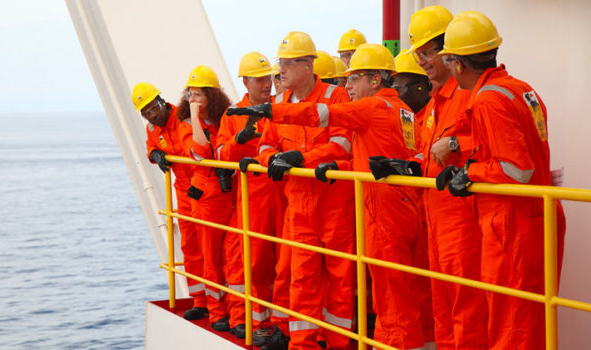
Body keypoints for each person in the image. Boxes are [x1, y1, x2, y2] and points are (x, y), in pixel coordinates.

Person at [227, 43, 434, 350]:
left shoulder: (373, 106)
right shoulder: (402, 109)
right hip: (399, 205)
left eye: (354, 79)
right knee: (399, 290)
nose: (347, 85)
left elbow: (320, 114)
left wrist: (270, 111)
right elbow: (404, 155)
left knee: (390, 294)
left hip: (380, 210)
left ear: (375, 80)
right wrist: (336, 165)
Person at [436, 11, 565, 349]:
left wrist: (470, 173)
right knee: (532, 318)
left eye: (448, 60)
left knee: (511, 325)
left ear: (458, 64)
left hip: (511, 226)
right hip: (537, 216)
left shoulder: (488, 99)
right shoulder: (521, 89)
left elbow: (515, 169)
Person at [252, 31, 354, 350]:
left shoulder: (335, 98)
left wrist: (302, 159)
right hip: (299, 204)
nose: (279, 70)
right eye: (280, 62)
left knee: (340, 276)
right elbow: (265, 144)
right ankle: (303, 344)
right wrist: (274, 158)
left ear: (308, 65)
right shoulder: (278, 102)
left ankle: (337, 343)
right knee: (301, 278)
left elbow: (343, 143)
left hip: (334, 202)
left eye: (287, 63)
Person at [406, 6, 487, 349]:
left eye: (425, 53)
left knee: (466, 310)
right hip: (437, 221)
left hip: (463, 223)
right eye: (419, 54)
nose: (421, 61)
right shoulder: (436, 102)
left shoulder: (470, 94)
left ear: (446, 50)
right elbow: (430, 153)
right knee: (444, 309)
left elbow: (487, 146)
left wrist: (456, 143)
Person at [213, 51, 280, 340]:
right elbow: (219, 155)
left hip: (283, 195)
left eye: (269, 78)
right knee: (250, 261)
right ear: (245, 82)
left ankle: (279, 322)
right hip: (252, 197)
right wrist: (239, 142)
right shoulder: (233, 116)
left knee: (282, 262)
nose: (266, 84)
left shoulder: (280, 108)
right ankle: (248, 319)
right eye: (259, 79)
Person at [132, 82, 209, 322]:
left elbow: (201, 151)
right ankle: (201, 301)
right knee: (191, 249)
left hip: (205, 190)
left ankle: (222, 303)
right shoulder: (153, 128)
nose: (151, 115)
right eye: (146, 113)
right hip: (184, 193)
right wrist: (154, 155)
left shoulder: (184, 118)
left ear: (161, 102)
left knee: (213, 249)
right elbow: (152, 145)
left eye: (153, 108)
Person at [179, 65, 237, 332]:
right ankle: (216, 313)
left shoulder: (224, 119)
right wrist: (193, 115)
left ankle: (235, 307)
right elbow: (201, 152)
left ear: (212, 96)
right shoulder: (188, 125)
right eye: (190, 94)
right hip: (206, 202)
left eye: (199, 95)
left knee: (232, 258)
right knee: (212, 260)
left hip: (229, 197)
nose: (193, 99)